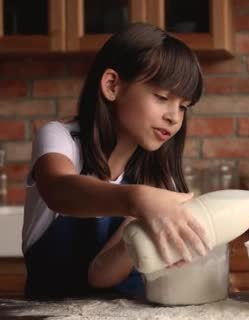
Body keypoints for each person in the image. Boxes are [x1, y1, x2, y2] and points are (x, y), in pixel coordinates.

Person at [21, 23, 210, 299]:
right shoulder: (62, 140)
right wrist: (138, 199)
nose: (174, 117)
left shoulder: (156, 177)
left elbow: (100, 275)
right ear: (112, 85)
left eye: (183, 106)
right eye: (162, 97)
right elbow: (58, 190)